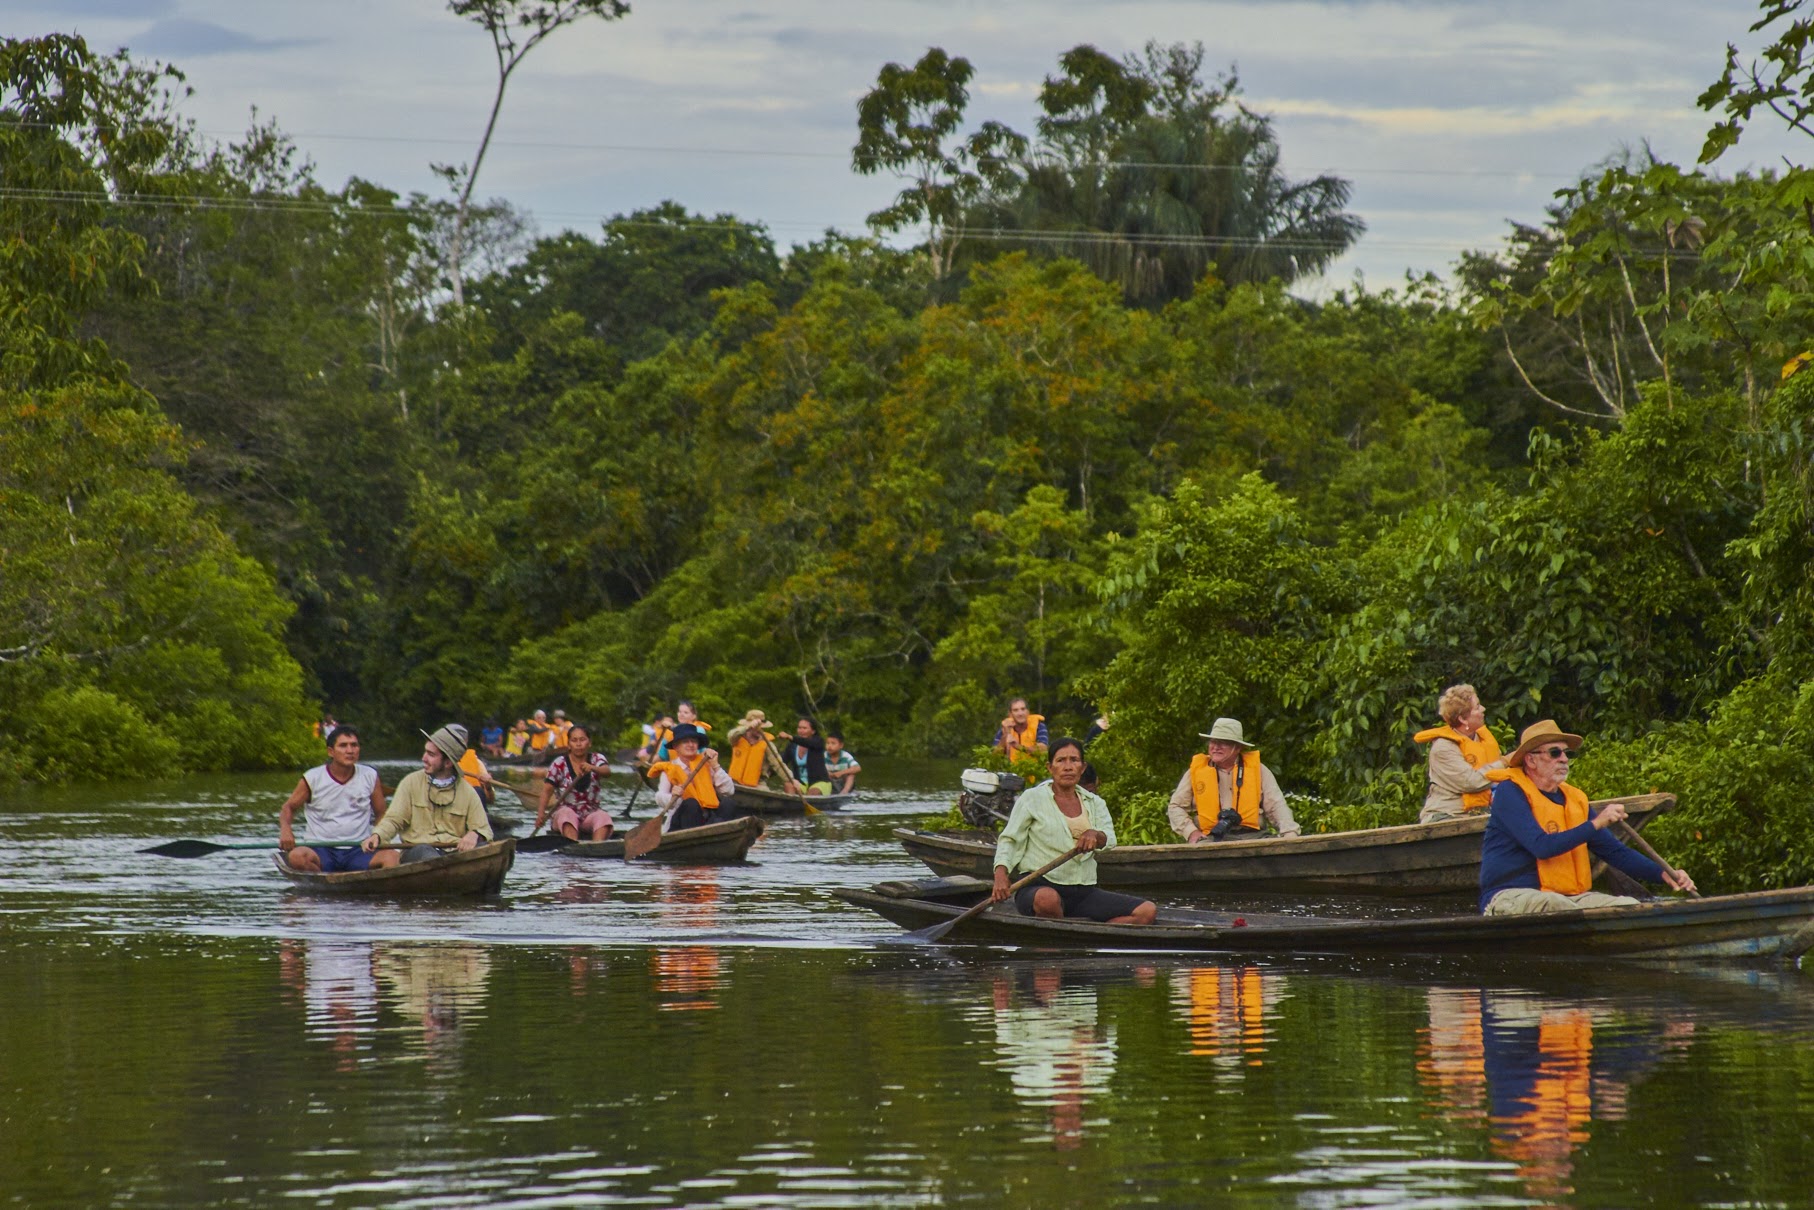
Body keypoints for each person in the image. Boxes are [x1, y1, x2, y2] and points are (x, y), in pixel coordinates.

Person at [1478, 719, 1696, 915]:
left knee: (1628, 905)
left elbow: (1614, 852)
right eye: (1555, 753)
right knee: (1556, 905)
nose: (1564, 759)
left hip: (1567, 898)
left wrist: (1663, 874)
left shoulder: (1574, 800)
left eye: (1567, 753)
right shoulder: (1510, 792)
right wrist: (1597, 823)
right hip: (1511, 895)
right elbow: (1541, 846)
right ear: (1531, 760)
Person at [991, 738, 1156, 924]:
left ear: (1082, 768)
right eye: (1061, 760)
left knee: (1146, 911)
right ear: (1050, 767)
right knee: (1048, 900)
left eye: (1074, 760)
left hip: (1082, 891)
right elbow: (1010, 840)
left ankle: (1090, 936)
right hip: (1038, 887)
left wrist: (1095, 835)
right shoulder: (1032, 798)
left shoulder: (1095, 802)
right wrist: (1001, 874)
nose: (1068, 767)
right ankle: (1065, 931)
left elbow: (1109, 839)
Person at [364, 724, 494, 863]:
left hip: (453, 854)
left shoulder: (468, 792)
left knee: (486, 849)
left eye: (431, 755)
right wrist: (377, 835)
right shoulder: (410, 783)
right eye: (426, 752)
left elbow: (484, 829)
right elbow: (393, 820)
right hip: (416, 852)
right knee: (425, 852)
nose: (424, 758)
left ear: (448, 763)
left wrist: (474, 834)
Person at [1166, 717, 1301, 843]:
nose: (1216, 747)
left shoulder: (1258, 770)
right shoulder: (1196, 771)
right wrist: (1191, 832)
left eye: (1223, 742)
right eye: (1213, 741)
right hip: (1212, 838)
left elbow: (1276, 805)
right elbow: (1175, 807)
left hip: (1253, 836)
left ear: (1237, 747)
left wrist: (1289, 832)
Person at [279, 724, 392, 872]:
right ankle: (322, 880)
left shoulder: (370, 775)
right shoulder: (313, 777)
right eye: (343, 746)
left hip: (359, 848)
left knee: (392, 858)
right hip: (320, 848)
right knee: (296, 857)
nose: (350, 751)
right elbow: (288, 807)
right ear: (331, 752)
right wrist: (286, 830)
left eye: (354, 745)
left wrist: (378, 837)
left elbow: (381, 813)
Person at [1415, 683, 1508, 822]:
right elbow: (1470, 782)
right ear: (1463, 719)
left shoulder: (1481, 739)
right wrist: (1505, 762)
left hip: (1482, 814)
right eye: (1477, 707)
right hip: (1446, 816)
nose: (1483, 709)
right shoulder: (1443, 748)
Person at [652, 723, 738, 831]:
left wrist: (715, 766)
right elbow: (659, 797)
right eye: (685, 742)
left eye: (693, 741)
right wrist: (673, 796)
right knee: (691, 803)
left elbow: (729, 791)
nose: (691, 744)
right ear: (676, 747)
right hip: (683, 821)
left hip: (708, 819)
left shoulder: (707, 765)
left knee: (728, 803)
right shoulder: (669, 769)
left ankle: (719, 833)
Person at [537, 723, 613, 841]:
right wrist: (541, 814)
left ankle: (597, 846)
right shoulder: (559, 763)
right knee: (567, 814)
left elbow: (607, 771)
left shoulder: (597, 759)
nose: (578, 744)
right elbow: (547, 791)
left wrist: (592, 768)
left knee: (603, 817)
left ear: (589, 742)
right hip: (565, 815)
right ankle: (573, 846)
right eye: (574, 740)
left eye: (582, 740)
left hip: (590, 814)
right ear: (569, 744)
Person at [779, 716, 832, 795]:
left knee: (813, 792)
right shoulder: (792, 746)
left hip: (819, 782)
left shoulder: (818, 742)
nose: (801, 731)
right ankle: (792, 802)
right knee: (788, 785)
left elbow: (807, 743)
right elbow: (782, 762)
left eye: (804, 728)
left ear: (813, 731)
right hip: (800, 783)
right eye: (799, 728)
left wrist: (790, 737)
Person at [725, 709, 775, 788]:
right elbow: (730, 735)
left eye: (761, 728)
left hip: (758, 783)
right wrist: (747, 727)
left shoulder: (767, 743)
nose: (759, 730)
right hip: (733, 781)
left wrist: (791, 780)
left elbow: (777, 764)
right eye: (756, 727)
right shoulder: (737, 738)